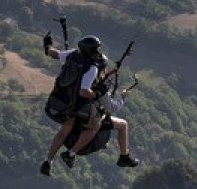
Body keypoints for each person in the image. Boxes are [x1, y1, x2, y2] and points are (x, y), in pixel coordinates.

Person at [39, 33, 140, 175]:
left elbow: (54, 54)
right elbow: (87, 93)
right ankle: (121, 156)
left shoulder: (73, 55)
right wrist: (120, 97)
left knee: (65, 129)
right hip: (81, 110)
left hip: (61, 104)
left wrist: (47, 45)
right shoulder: (93, 70)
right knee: (112, 125)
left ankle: (48, 161)